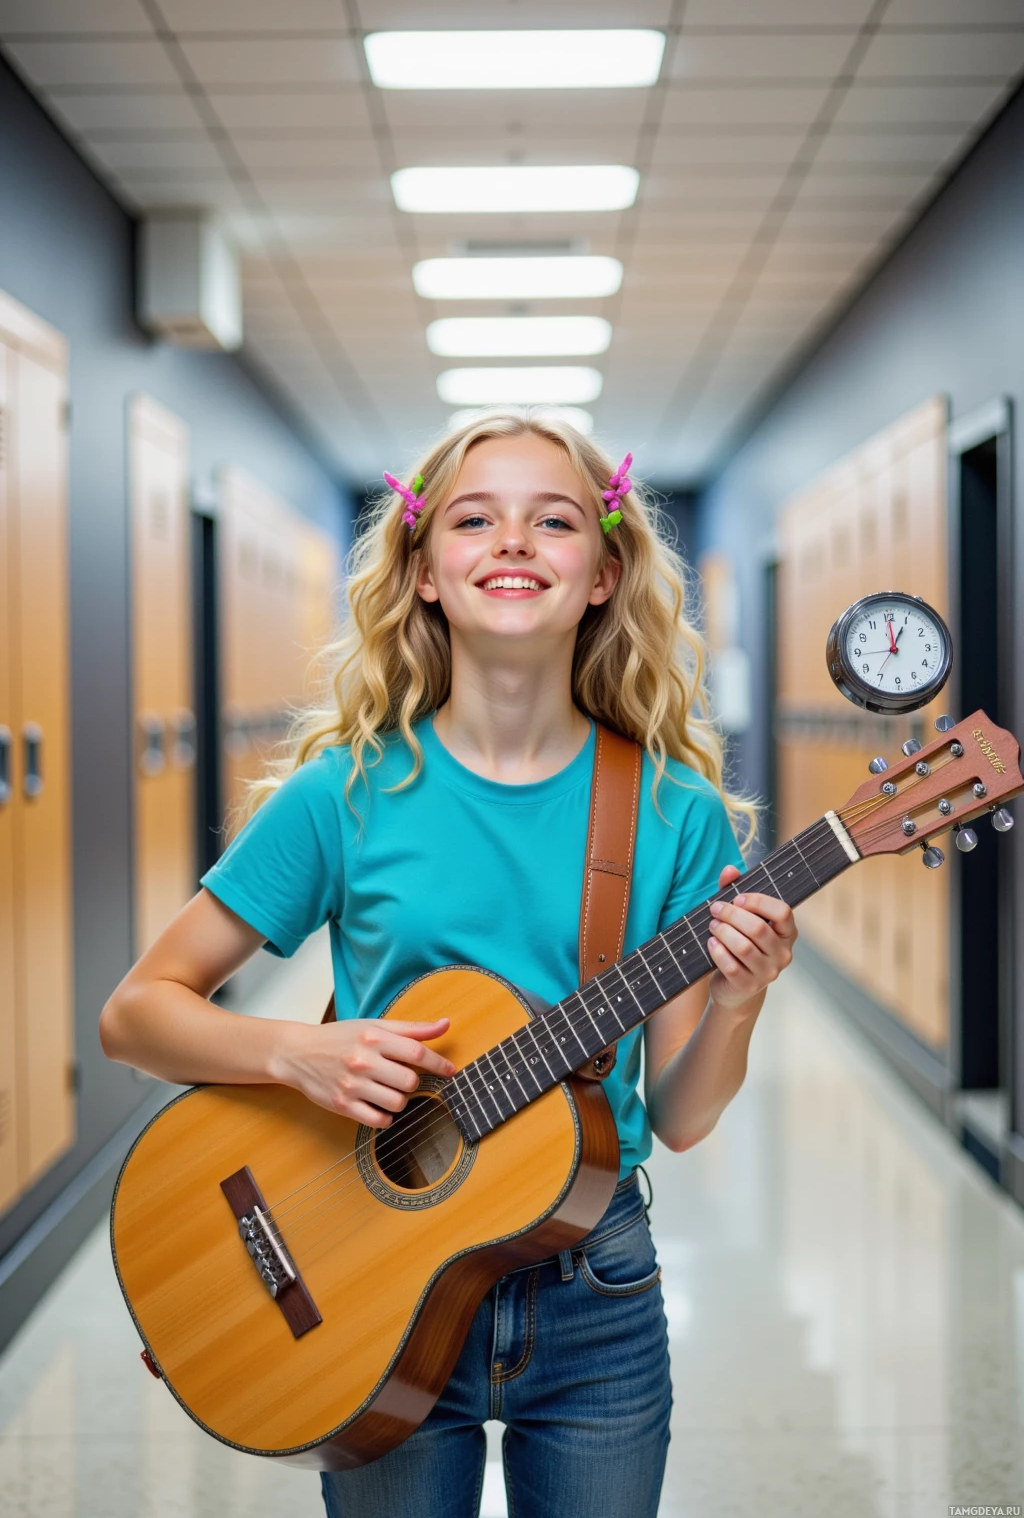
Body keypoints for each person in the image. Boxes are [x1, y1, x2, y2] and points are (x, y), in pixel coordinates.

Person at [100, 411, 798, 1518]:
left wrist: (738, 1005)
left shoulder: (673, 813)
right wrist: (298, 1054)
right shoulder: (347, 793)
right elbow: (137, 1013)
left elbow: (680, 1114)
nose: (513, 542)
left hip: (591, 1287)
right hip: (356, 1270)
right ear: (424, 572)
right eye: (476, 518)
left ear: (605, 574)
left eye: (553, 520)